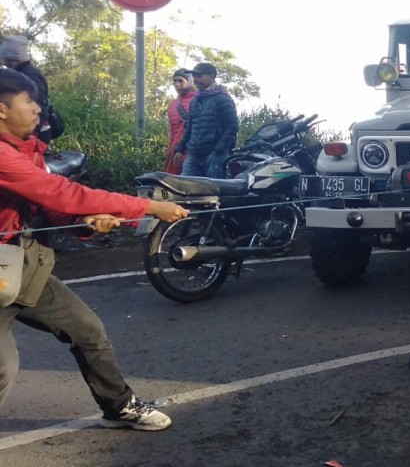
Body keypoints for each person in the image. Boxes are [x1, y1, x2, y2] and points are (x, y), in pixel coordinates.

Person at [0, 69, 190, 429]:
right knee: (3, 368)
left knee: (88, 330)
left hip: (23, 269)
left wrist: (87, 221)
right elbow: (63, 193)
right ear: (2, 109)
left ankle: (118, 407)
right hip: (3, 272)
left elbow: (50, 207)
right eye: (29, 101)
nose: (39, 109)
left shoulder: (27, 151)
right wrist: (149, 206)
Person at [173, 63, 238, 179]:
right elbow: (190, 127)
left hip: (214, 156)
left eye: (199, 76)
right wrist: (180, 149)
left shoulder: (222, 98)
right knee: (184, 186)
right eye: (194, 76)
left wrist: (218, 150)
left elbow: (232, 126)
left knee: (212, 188)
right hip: (193, 155)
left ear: (212, 76)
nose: (195, 80)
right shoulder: (196, 100)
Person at [0, 35, 58, 144]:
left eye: (4, 58)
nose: (3, 61)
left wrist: (31, 129)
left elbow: (41, 106)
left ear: (11, 58)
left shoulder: (27, 76)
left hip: (36, 133)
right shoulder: (26, 73)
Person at [164, 69, 198, 175]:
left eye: (180, 81)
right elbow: (173, 130)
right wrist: (170, 151)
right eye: (174, 81)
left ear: (190, 81)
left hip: (194, 151)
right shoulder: (173, 104)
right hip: (176, 151)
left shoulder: (199, 99)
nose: (177, 84)